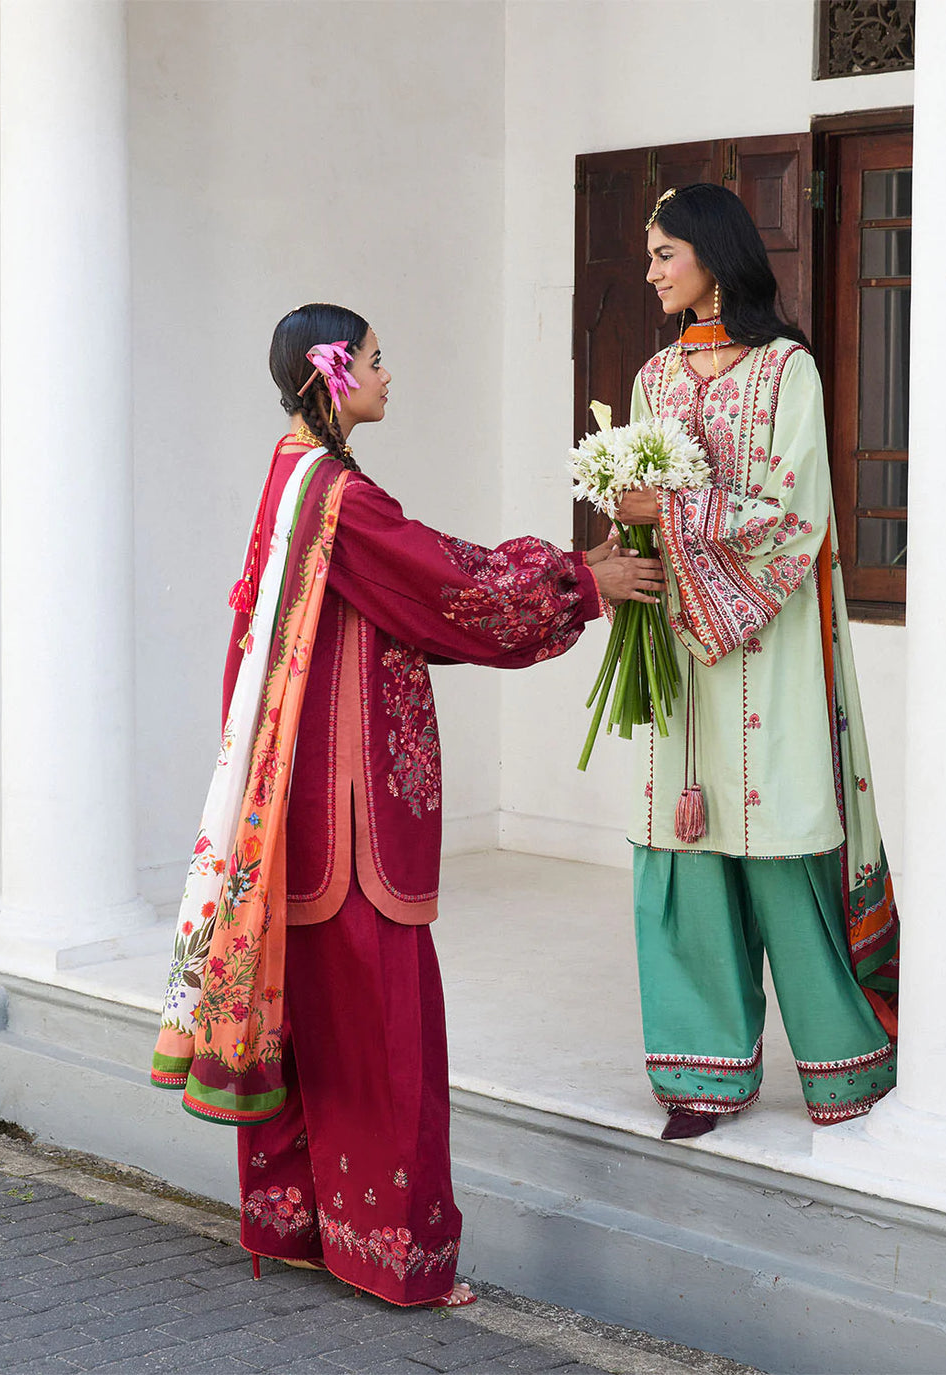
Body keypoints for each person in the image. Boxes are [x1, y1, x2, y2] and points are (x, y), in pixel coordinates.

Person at [152, 303, 663, 1306]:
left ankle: (298, 1222)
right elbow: (444, 582)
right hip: (347, 806)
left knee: (315, 1016)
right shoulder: (336, 495)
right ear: (330, 375)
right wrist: (582, 576)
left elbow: (411, 600)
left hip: (295, 793)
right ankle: (396, 1256)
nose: (392, 375)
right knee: (384, 1025)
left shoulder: (289, 476)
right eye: (378, 361)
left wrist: (573, 576)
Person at [617, 184, 900, 1141]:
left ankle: (841, 1063)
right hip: (675, 647)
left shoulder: (788, 372)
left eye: (664, 253)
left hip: (768, 642)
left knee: (776, 833)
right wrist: (635, 539)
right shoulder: (654, 381)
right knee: (683, 841)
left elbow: (798, 515)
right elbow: (637, 502)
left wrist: (681, 519)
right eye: (650, 255)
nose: (651, 271)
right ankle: (703, 1073)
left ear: (710, 253)